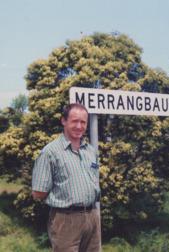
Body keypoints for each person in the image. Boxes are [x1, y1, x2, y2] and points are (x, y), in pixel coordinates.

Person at [32, 103, 101, 252]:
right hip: (66, 219)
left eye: (83, 122)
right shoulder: (50, 152)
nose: (79, 126)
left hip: (92, 215)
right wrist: (65, 200)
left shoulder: (90, 151)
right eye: (74, 121)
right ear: (64, 121)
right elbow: (38, 193)